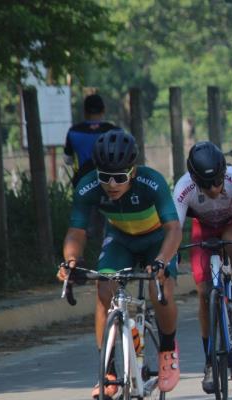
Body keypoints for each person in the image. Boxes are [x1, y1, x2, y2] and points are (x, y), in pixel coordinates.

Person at [56, 129, 181, 397]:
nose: (112, 184)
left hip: (156, 240)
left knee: (160, 291)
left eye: (120, 177)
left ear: (133, 171)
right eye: (105, 177)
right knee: (104, 289)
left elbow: (173, 229)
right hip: (121, 240)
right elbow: (76, 231)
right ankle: (108, 369)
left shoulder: (152, 182)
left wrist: (160, 261)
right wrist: (71, 260)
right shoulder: (88, 186)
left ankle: (168, 350)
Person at [171, 142, 232, 393]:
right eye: (206, 184)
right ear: (194, 180)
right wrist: (171, 257)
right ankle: (210, 361)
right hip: (205, 226)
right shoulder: (182, 188)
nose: (214, 189)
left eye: (218, 182)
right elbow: (174, 231)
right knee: (203, 292)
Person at [64, 94, 121, 188]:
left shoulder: (73, 132)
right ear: (103, 110)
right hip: (110, 183)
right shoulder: (116, 131)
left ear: (85, 112)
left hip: (83, 183)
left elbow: (67, 160)